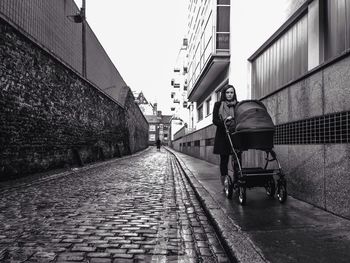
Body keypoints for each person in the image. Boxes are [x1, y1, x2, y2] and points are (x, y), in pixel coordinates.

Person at [212, 84, 239, 189]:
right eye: (227, 92)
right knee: (224, 160)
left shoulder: (238, 104)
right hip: (223, 136)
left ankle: (237, 181)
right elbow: (214, 120)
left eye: (231, 92)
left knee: (237, 159)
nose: (229, 94)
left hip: (235, 135)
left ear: (234, 93)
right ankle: (225, 184)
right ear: (224, 94)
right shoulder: (218, 104)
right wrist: (225, 120)